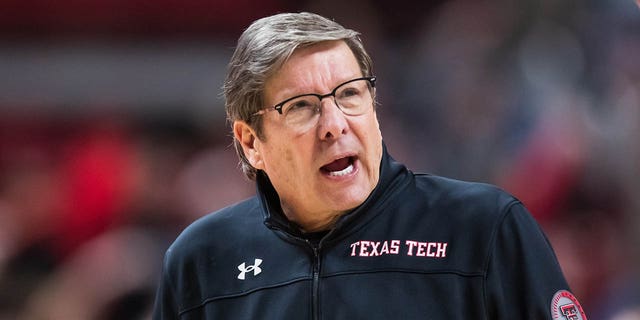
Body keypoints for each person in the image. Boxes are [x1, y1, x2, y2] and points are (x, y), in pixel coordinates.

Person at [153, 12, 586, 319]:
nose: (334, 125)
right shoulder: (202, 259)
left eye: (349, 94)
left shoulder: (483, 227)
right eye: (302, 106)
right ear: (251, 142)